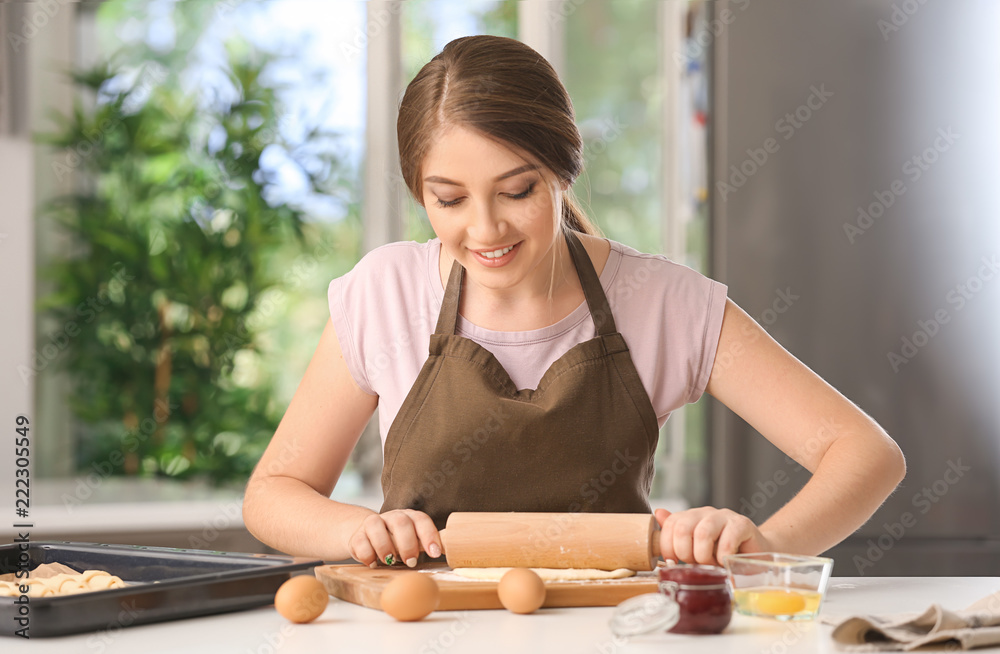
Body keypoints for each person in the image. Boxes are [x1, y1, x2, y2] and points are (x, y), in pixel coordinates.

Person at [241, 35, 905, 570]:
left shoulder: (661, 303)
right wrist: (360, 530)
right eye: (449, 199)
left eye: (517, 190)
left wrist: (758, 549)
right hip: (421, 634)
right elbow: (272, 495)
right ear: (421, 194)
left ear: (562, 169)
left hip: (616, 635)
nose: (486, 229)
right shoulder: (384, 295)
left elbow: (865, 454)